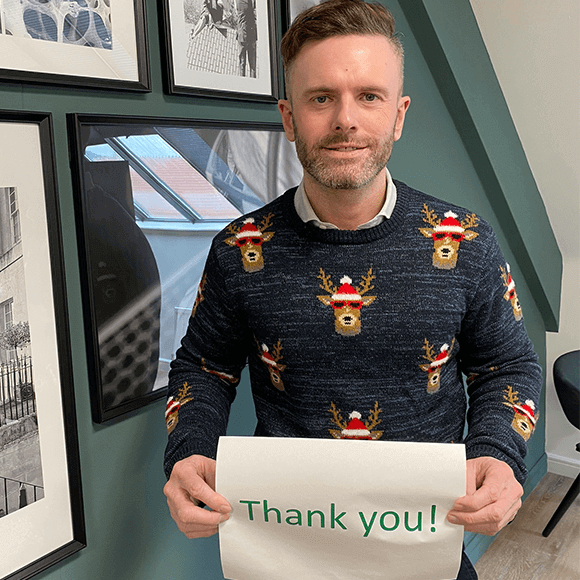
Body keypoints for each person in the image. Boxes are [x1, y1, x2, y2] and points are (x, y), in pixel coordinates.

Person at [163, 1, 542, 577]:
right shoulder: (239, 249)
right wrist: (188, 450)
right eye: (321, 98)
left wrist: (498, 453)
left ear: (398, 115)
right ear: (290, 119)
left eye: (369, 96)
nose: (346, 119)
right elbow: (203, 368)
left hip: (425, 542)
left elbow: (507, 366)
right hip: (281, 544)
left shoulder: (465, 240)